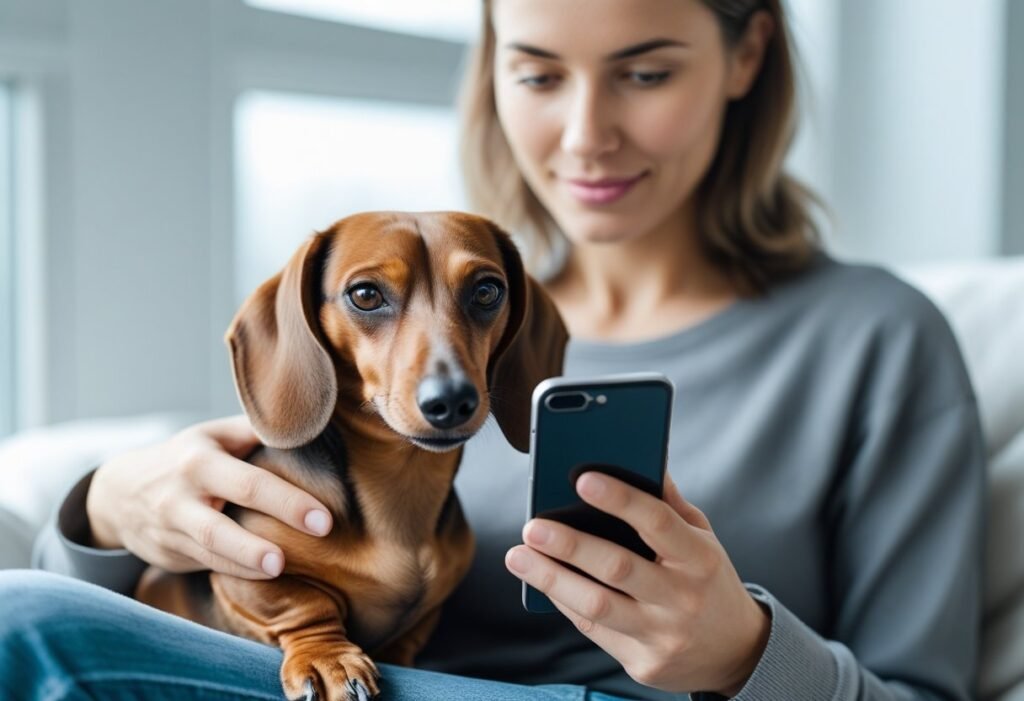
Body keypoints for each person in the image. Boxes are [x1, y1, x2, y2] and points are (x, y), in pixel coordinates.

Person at [0, 0, 985, 699]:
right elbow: (192, 608)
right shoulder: (397, 317)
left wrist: (744, 652)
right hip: (335, 683)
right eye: (538, 73)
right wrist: (99, 510)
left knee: (26, 626)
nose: (585, 132)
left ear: (745, 53)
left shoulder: (876, 340)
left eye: (644, 71)